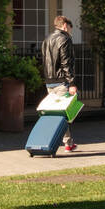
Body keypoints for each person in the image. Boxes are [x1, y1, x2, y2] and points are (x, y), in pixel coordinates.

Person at [39, 15, 77, 151]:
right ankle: (67, 143)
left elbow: (44, 61)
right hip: (61, 81)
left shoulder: (47, 39)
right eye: (70, 29)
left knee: (55, 113)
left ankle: (65, 142)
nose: (70, 32)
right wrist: (71, 82)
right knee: (63, 114)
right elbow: (66, 62)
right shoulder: (65, 38)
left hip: (49, 81)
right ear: (65, 26)